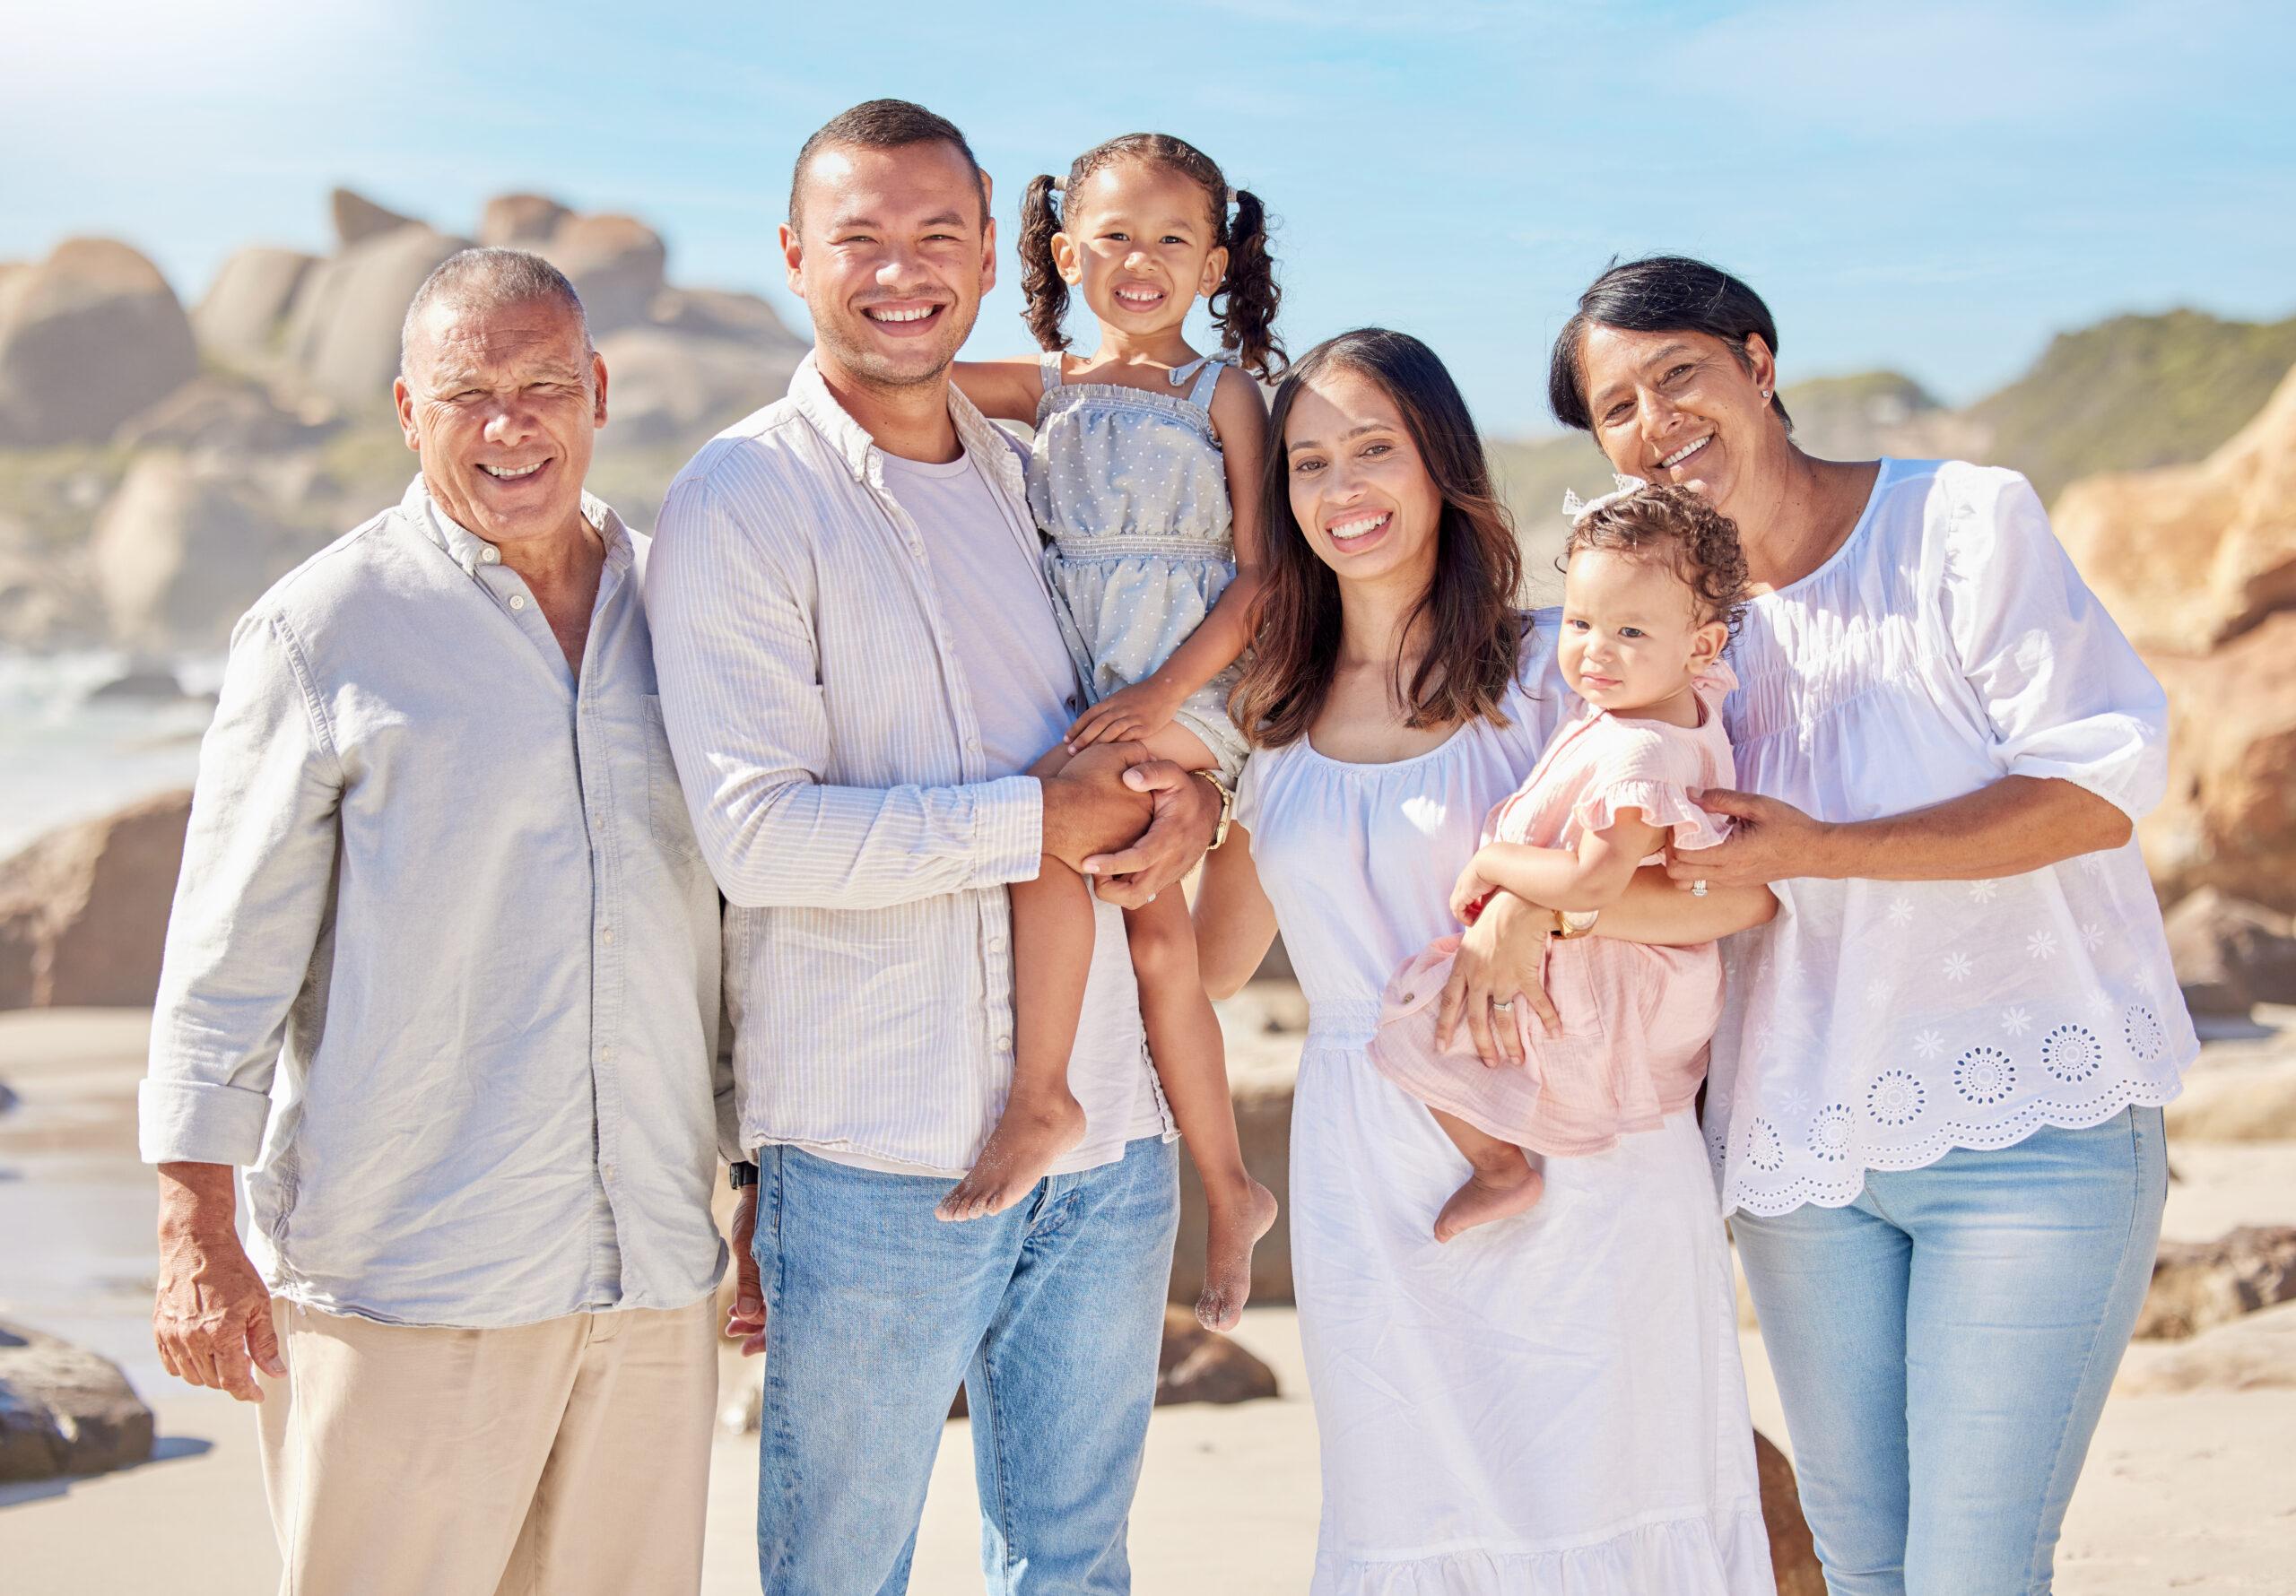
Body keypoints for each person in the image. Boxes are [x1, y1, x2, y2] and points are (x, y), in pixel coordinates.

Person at [1548, 254, 2196, 1595]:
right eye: (1617, 408)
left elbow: (2095, 789)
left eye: (1680, 375)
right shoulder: (1658, 634)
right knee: (1865, 1570)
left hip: (2030, 1131)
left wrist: (1827, 851)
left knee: (1972, 1574)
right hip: (1799, 1158)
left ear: (1759, 361)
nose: (1655, 422)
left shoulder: (1961, 523)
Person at [645, 100, 1225, 1594]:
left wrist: (1191, 800)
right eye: (862, 239)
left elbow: (1144, 693)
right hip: (876, 1150)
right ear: (793, 257)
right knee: (842, 1572)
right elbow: (757, 836)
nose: (901, 271)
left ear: (987, 256)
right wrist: (1040, 818)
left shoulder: (1039, 475)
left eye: (936, 236)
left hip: (1116, 1134)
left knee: (1073, 1565)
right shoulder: (743, 493)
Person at [136, 248, 734, 1596]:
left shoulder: (687, 609)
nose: (510, 426)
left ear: (596, 391)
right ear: (408, 411)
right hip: (408, 1277)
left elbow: (733, 933)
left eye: (540, 388)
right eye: (469, 395)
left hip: (647, 1272)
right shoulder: (319, 629)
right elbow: (221, 964)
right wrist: (194, 1232)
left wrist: (752, 1176)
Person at [1193, 327, 1778, 1594]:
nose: (1343, 490)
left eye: (1374, 451)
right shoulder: (1267, 714)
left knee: (1622, 1504)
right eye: (1307, 465)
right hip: (1371, 1171)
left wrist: (1530, 916)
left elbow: (1732, 899)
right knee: (1416, 1514)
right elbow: (1210, 969)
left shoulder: (1557, 666)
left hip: (1585, 1147)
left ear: (1441, 466)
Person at [943, 132, 1278, 1330]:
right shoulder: (1048, 388)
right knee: (1159, 956)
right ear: (1067, 250)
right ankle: (1231, 1191)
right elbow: (899, 370)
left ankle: (1043, 1095)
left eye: (1174, 240)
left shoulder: (1221, 393)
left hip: (1188, 691)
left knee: (1043, 823)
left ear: (1217, 263)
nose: (1144, 261)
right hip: (1097, 690)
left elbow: (1255, 581)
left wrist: (1159, 697)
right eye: (1117, 237)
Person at [1370, 480, 1749, 1239]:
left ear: (1702, 646)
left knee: (1418, 1023)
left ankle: (1501, 1169)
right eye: (1579, 621)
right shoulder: (1661, 705)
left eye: (1631, 633)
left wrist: (1500, 866)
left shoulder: (1642, 748)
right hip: (1628, 955)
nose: (1594, 651)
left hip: (1618, 966)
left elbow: (1592, 880)